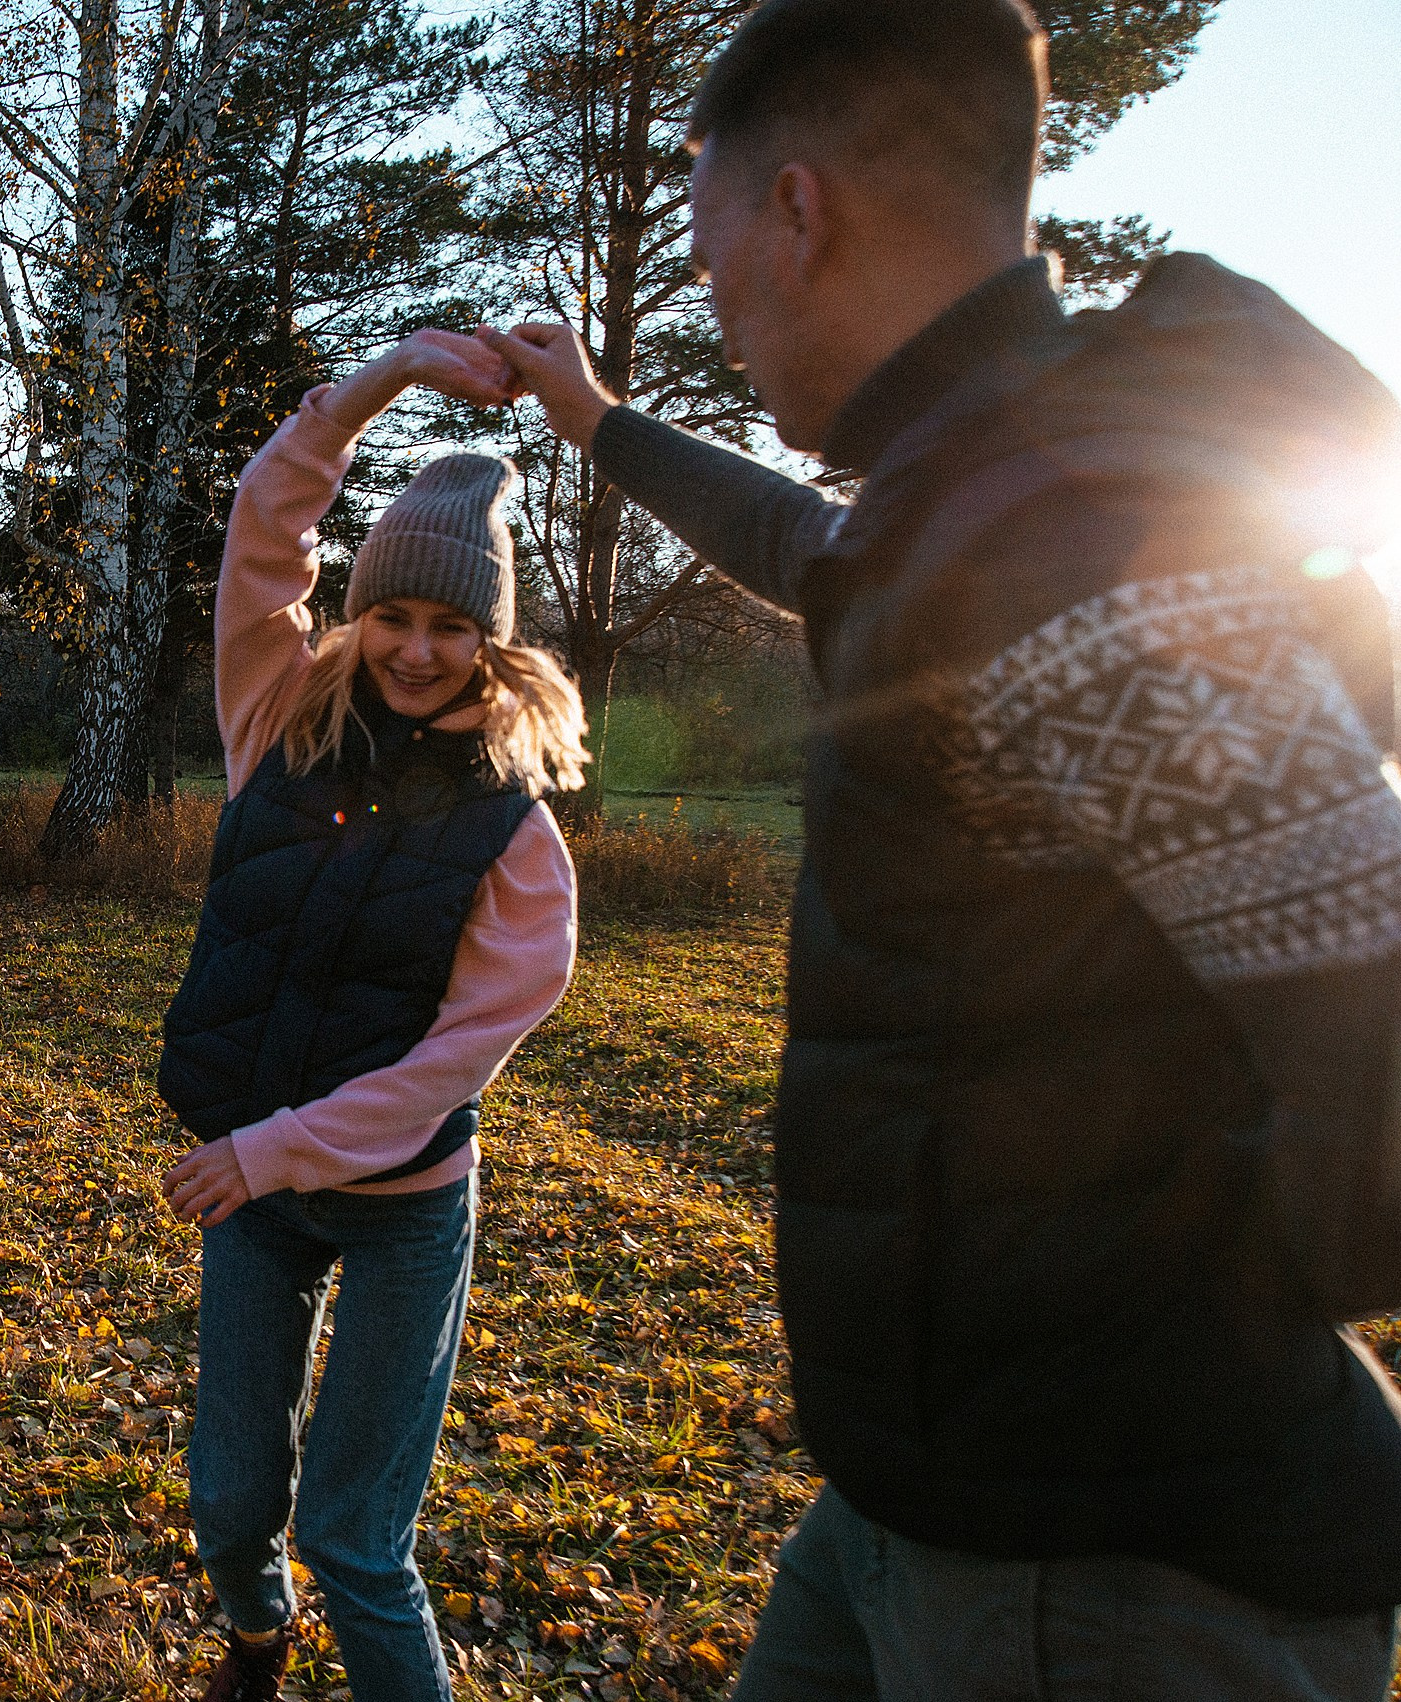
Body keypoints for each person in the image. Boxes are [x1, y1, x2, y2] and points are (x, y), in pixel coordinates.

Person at [479, 0, 1401, 1695]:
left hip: (1110, 1563)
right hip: (933, 1505)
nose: (718, 304)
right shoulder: (975, 491)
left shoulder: (1070, 545)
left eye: (708, 243)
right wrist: (596, 421)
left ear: (798, 209)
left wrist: (1173, 1305)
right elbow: (808, 545)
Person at [157, 329, 589, 1702]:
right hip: (262, 1200)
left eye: (452, 625)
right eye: (393, 615)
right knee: (228, 1505)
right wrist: (389, 374)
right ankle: (250, 1633)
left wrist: (263, 1149)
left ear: (490, 640)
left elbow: (445, 1067)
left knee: (353, 1534)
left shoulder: (518, 843)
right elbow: (264, 523)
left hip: (401, 1206)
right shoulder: (274, 716)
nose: (415, 650)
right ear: (357, 610)